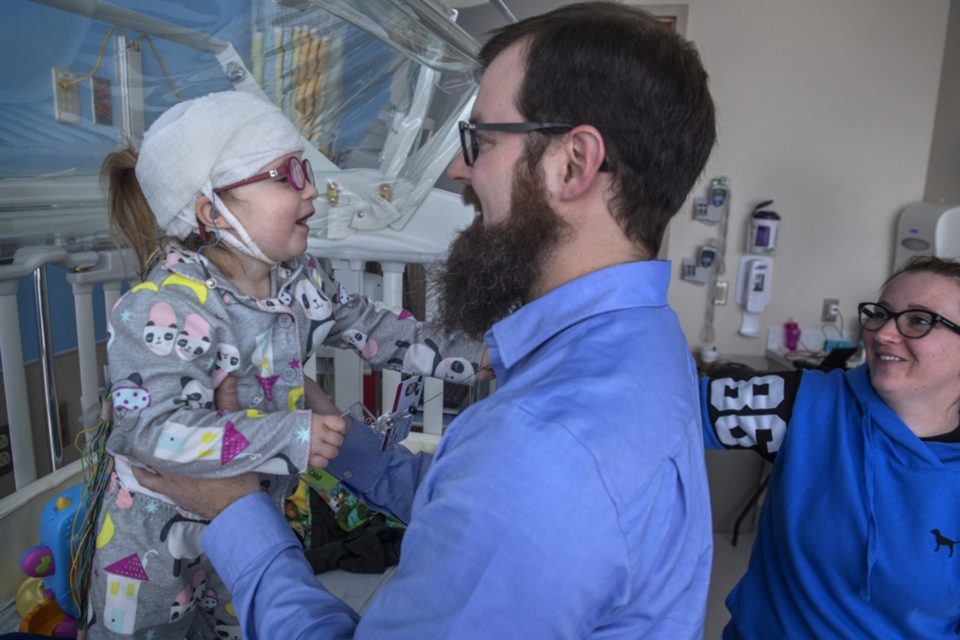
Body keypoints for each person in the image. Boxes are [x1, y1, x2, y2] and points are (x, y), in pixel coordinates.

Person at [135, 4, 718, 638]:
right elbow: (470, 499)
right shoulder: (652, 346)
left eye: (482, 141)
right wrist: (338, 439)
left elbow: (387, 340)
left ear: (574, 163)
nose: (460, 169)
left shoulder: (543, 447)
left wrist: (237, 509)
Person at [89, 91, 483, 639]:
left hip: (251, 519)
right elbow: (151, 431)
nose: (313, 189)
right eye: (287, 175)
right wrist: (290, 435)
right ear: (212, 211)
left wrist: (479, 358)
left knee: (245, 621)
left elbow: (376, 329)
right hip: (155, 535)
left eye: (307, 169)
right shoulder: (163, 309)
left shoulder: (301, 281)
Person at [700, 255, 960, 639]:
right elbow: (670, 407)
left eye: (920, 320)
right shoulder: (803, 405)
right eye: (880, 313)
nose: (884, 333)